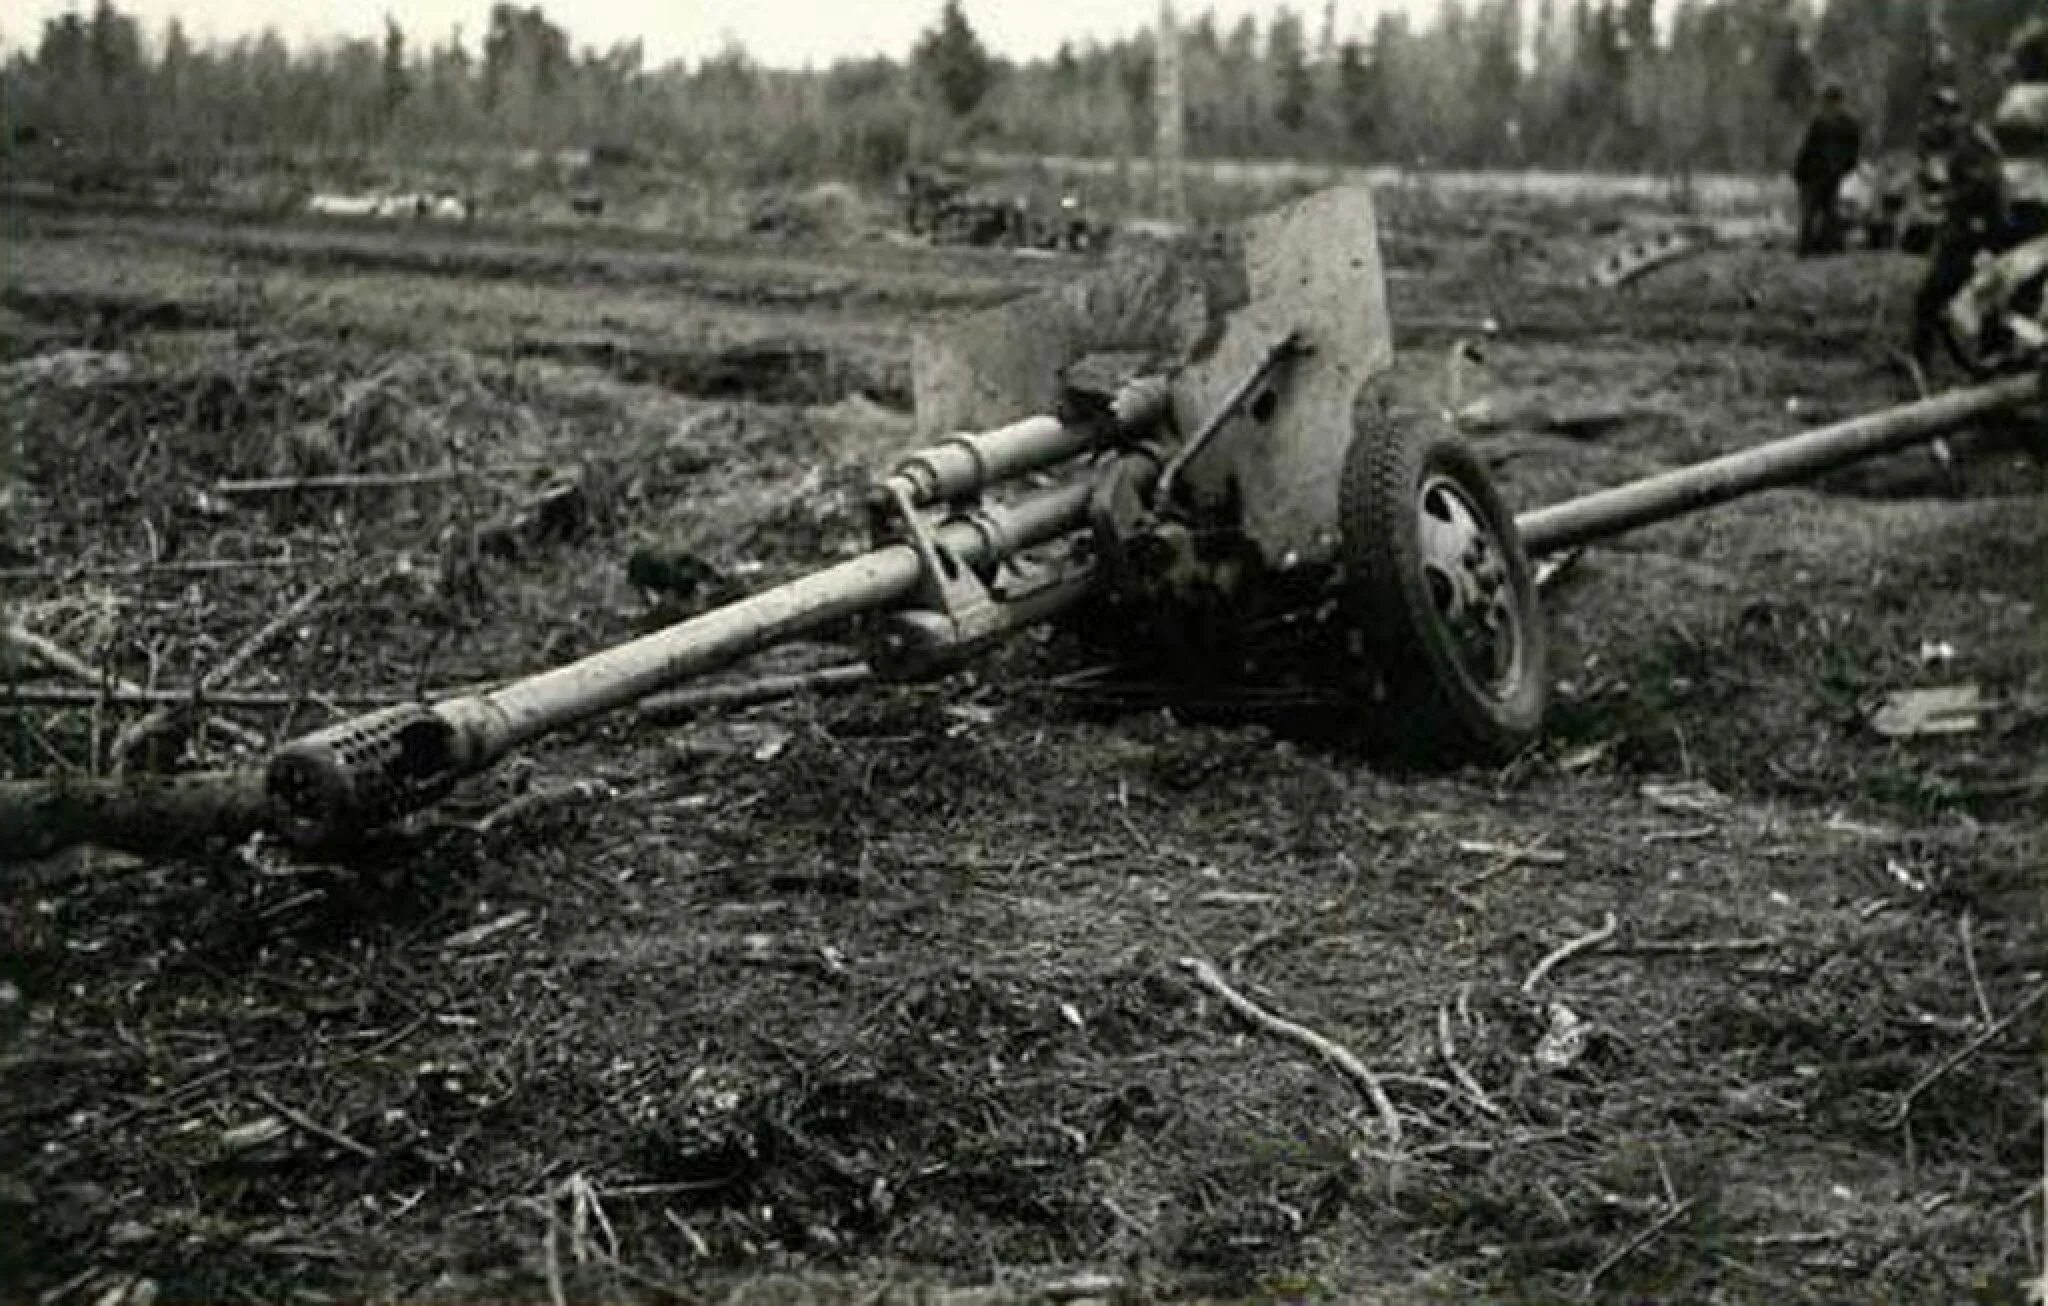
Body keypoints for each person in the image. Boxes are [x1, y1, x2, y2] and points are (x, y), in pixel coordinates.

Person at [1793, 84, 1863, 256]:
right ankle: (1830, 245)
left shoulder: (1822, 122)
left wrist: (1798, 170)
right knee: (1829, 209)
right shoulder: (1851, 123)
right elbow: (1854, 151)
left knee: (1812, 209)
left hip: (1816, 172)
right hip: (1833, 172)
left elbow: (1808, 148)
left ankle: (1807, 247)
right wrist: (1846, 168)